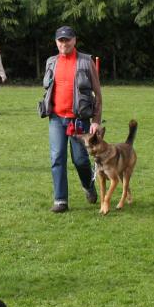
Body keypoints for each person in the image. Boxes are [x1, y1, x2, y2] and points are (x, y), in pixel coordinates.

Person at [40, 25, 101, 213]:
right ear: (56, 42)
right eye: (60, 40)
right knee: (57, 157)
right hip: (56, 118)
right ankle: (60, 201)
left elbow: (97, 94)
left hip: (78, 120)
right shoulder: (51, 61)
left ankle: (88, 186)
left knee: (81, 160)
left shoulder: (85, 61)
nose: (64, 43)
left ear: (74, 40)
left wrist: (96, 120)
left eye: (67, 39)